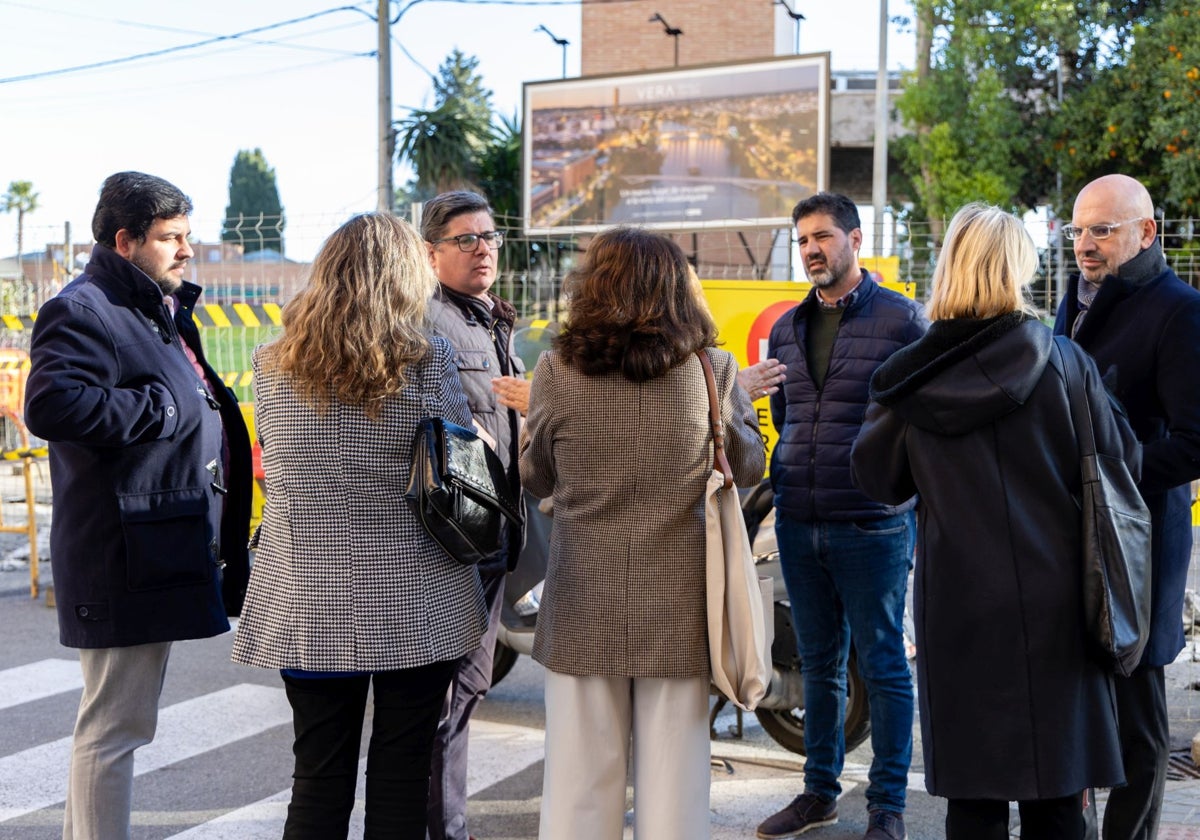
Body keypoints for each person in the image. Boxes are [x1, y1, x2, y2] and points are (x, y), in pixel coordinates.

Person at [851, 203, 1138, 839]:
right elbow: (1124, 464)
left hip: (960, 610)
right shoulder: (1065, 364)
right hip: (1061, 604)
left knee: (973, 801)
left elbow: (876, 479)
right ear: (1017, 270)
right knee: (1060, 796)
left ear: (949, 268)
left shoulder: (910, 378)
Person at [230, 212, 488, 839]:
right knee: (401, 775)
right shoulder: (427, 359)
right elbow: (460, 465)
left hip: (305, 595)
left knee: (316, 776)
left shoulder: (271, 363)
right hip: (414, 599)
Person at [23, 171, 252, 840]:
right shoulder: (85, 307)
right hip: (121, 551)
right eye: (170, 238)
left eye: (189, 236)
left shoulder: (152, 304)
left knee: (121, 724)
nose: (186, 250)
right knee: (113, 727)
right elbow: (52, 404)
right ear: (125, 241)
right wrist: (164, 406)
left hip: (157, 542)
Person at [520, 227, 764, 839]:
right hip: (679, 603)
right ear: (677, 288)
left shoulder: (555, 370)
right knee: (676, 787)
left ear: (593, 285)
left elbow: (534, 474)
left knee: (577, 785)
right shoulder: (712, 369)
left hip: (582, 601)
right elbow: (751, 466)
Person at [757, 192, 927, 840]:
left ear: (855, 239)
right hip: (800, 520)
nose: (811, 251)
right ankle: (818, 793)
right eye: (802, 241)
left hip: (874, 525)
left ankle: (887, 808)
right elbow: (786, 419)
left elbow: (919, 422)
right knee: (818, 666)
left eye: (823, 237)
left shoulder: (901, 320)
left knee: (884, 665)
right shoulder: (787, 326)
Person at [1053, 173, 1200, 840]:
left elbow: (1196, 442)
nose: (1085, 243)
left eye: (1101, 230)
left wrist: (1112, 472)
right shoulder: (1074, 300)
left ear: (1146, 233)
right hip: (1070, 535)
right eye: (1078, 229)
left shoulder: (1178, 309)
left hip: (1139, 543)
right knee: (1080, 701)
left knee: (1139, 713)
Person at [419, 190, 528, 840]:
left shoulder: (489, 318)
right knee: (447, 701)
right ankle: (444, 830)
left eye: (489, 237)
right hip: (454, 539)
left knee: (465, 693)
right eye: (466, 239)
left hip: (491, 536)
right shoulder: (428, 322)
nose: (483, 248)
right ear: (432, 253)